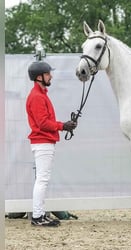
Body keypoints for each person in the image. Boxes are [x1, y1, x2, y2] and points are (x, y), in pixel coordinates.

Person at [26, 61, 77, 227]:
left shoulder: (41, 95)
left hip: (44, 142)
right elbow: (43, 123)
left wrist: (64, 125)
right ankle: (37, 216)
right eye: (48, 74)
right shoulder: (37, 97)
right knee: (42, 179)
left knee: (43, 179)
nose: (51, 76)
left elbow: (46, 121)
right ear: (39, 77)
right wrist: (63, 126)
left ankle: (40, 214)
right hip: (42, 142)